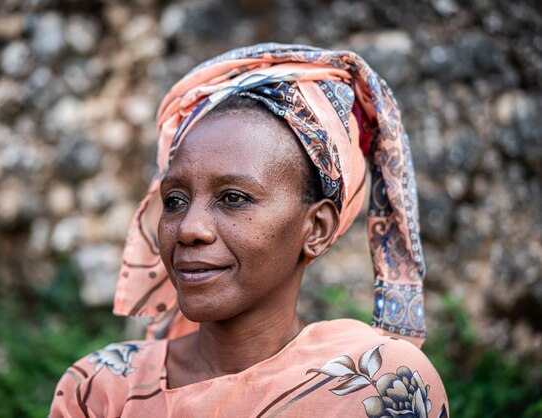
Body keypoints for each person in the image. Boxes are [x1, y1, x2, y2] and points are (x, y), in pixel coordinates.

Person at [50, 43, 448, 417]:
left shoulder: (377, 387)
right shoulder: (101, 389)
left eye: (233, 198)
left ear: (317, 229)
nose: (189, 229)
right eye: (174, 200)